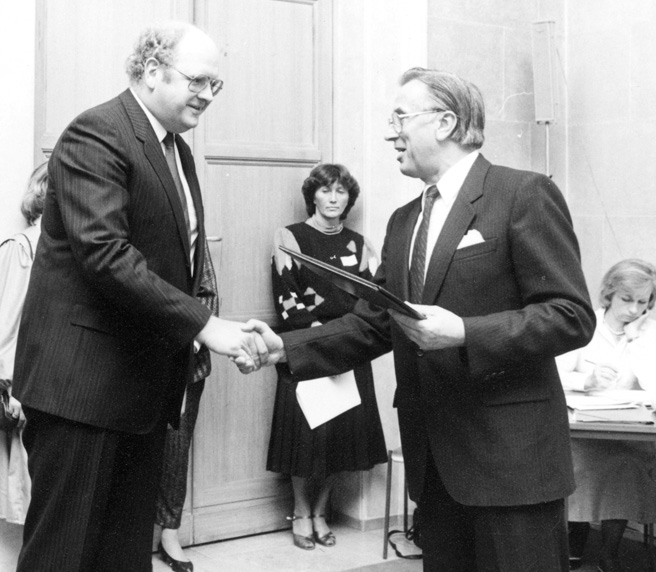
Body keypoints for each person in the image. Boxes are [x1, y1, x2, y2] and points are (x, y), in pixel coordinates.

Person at [245, 67, 596, 572]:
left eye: (401, 117)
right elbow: (375, 322)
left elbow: (570, 314)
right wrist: (285, 347)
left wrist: (466, 333)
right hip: (434, 470)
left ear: (446, 122)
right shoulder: (403, 220)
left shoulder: (523, 194)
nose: (391, 131)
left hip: (512, 465)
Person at [12, 21, 264, 572]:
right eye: (199, 80)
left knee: (124, 557)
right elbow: (105, 254)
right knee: (64, 556)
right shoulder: (97, 132)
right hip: (82, 390)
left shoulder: (178, 151)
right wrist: (207, 326)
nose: (208, 95)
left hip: (142, 391)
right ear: (152, 71)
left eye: (216, 86)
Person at [267, 163, 387, 550]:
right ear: (313, 196)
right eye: (326, 191)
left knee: (339, 439)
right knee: (307, 439)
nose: (334, 198)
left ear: (349, 199)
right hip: (308, 347)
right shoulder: (291, 237)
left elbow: (373, 300)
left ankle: (321, 512)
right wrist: (323, 340)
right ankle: (301, 513)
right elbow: (287, 298)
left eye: (341, 192)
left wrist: (347, 339)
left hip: (351, 348)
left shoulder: (360, 244)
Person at [557, 259, 656, 572]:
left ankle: (609, 553)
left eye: (643, 302)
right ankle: (573, 544)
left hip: (627, 434)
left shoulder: (647, 334)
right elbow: (555, 374)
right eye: (627, 300)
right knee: (584, 463)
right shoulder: (586, 326)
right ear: (610, 294)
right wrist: (586, 380)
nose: (633, 309)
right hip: (582, 432)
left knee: (627, 465)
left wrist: (640, 339)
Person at [0, 162, 48, 525]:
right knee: (36, 500)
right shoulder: (23, 247)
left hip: (63, 390)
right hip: (31, 389)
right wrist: (12, 388)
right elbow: (7, 327)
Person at [155, 237, 218, 572]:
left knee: (176, 449)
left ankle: (170, 533)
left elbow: (207, 292)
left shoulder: (192, 225)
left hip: (186, 362)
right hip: (131, 360)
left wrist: (190, 342)